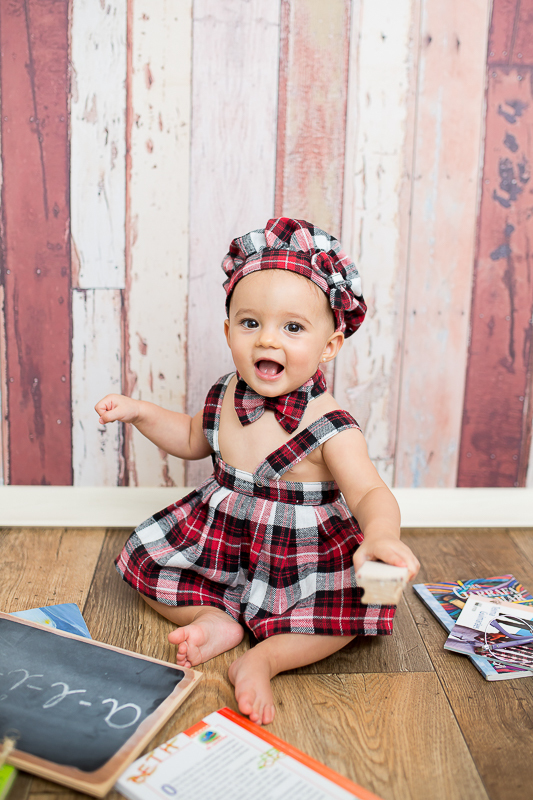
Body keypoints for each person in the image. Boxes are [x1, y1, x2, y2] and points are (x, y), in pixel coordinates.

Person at [95, 217, 420, 726]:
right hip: (224, 540)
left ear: (328, 346)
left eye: (292, 327)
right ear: (228, 332)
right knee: (144, 561)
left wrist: (381, 536)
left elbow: (369, 491)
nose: (268, 339)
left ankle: (264, 658)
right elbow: (188, 438)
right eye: (251, 323)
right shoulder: (225, 393)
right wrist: (140, 412)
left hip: (300, 557)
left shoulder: (329, 424)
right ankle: (215, 620)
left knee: (351, 614)